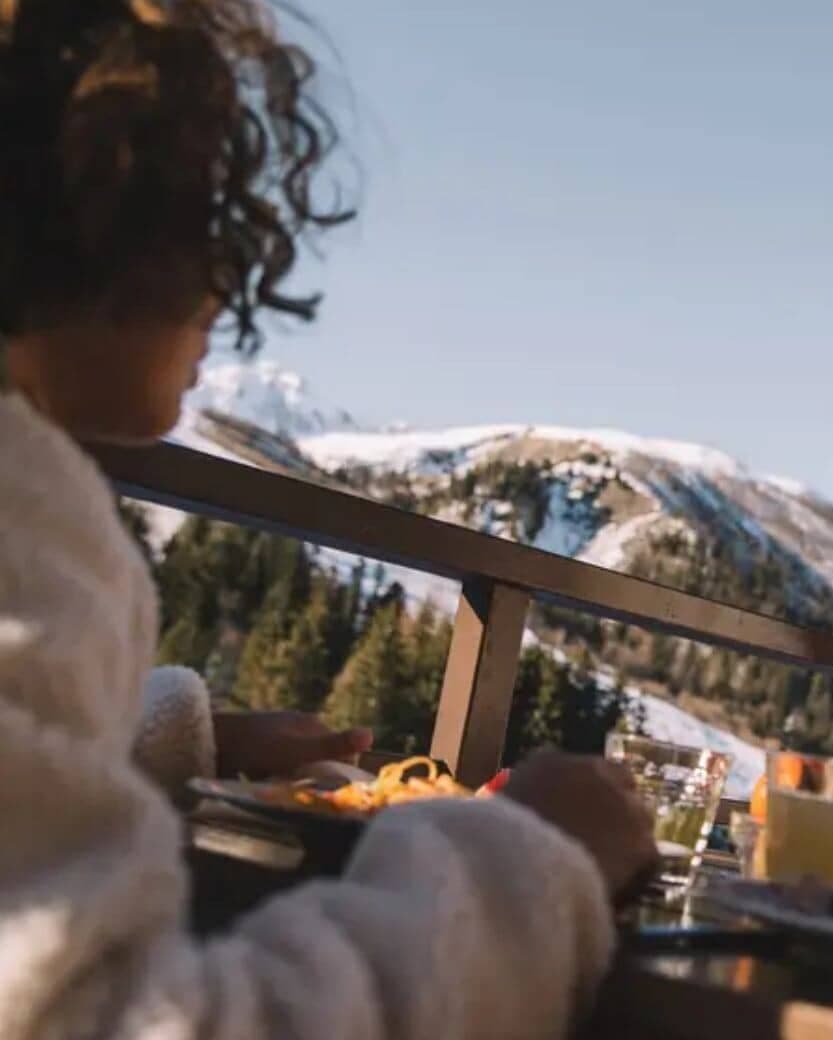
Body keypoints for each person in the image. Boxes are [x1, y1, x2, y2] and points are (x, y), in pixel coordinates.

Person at [0, 3, 656, 1039]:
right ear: (87, 204)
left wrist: (185, 741)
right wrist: (530, 858)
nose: (230, 280)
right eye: (206, 213)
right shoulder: (21, 515)